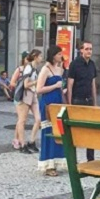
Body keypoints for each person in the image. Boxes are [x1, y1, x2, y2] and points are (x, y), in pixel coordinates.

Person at [37, 46, 66, 176]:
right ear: (53, 55)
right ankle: (48, 164)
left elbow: (60, 87)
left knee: (58, 132)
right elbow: (39, 89)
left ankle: (57, 161)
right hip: (48, 103)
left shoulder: (59, 69)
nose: (61, 56)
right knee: (48, 132)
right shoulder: (45, 69)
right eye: (59, 54)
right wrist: (54, 86)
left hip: (58, 102)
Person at [67, 40, 98, 162]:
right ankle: (73, 159)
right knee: (76, 131)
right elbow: (70, 85)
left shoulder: (92, 65)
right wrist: (70, 104)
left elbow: (93, 84)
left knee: (91, 130)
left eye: (90, 49)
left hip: (88, 100)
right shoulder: (74, 64)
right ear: (81, 50)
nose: (89, 51)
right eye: (86, 49)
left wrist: (95, 103)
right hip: (77, 100)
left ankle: (90, 158)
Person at [15, 50, 42, 154]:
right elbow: (26, 85)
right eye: (40, 56)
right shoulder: (28, 67)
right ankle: (22, 144)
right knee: (22, 120)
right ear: (35, 57)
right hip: (26, 94)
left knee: (38, 119)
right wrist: (37, 81)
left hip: (33, 94)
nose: (41, 58)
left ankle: (32, 141)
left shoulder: (35, 68)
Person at [10, 52, 29, 150]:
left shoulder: (30, 70)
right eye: (27, 58)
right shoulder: (20, 70)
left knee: (22, 119)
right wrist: (20, 84)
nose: (28, 60)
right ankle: (17, 140)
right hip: (19, 96)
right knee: (21, 119)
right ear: (23, 59)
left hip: (27, 97)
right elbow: (12, 82)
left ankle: (16, 139)